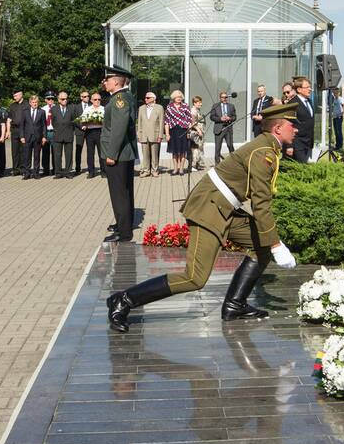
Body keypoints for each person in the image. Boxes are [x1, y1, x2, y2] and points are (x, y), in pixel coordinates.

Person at [106, 102, 300, 332]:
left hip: (225, 207)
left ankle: (234, 305)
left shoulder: (267, 148)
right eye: (292, 124)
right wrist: (277, 244)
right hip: (208, 208)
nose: (296, 129)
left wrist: (271, 243)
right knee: (194, 278)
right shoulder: (263, 152)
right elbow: (261, 204)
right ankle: (124, 300)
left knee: (261, 246)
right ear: (278, 128)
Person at [100, 66, 137, 242]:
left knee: (119, 194)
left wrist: (112, 154)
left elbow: (118, 129)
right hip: (124, 153)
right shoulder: (123, 97)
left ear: (115, 82)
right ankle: (124, 224)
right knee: (125, 192)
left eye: (107, 80)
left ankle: (124, 233)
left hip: (118, 154)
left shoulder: (119, 99)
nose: (104, 82)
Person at [50, 90, 81, 178]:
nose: (65, 100)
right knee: (57, 155)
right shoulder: (54, 109)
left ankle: (68, 172)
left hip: (68, 134)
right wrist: (58, 129)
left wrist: (82, 126)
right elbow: (53, 122)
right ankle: (58, 172)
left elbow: (75, 120)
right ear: (58, 100)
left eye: (66, 99)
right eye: (63, 99)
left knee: (69, 155)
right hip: (58, 134)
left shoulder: (71, 108)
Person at [287, 76, 315, 163]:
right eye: (307, 87)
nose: (310, 89)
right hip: (298, 143)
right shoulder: (292, 104)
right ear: (299, 89)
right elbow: (288, 125)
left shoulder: (309, 101)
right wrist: (289, 145)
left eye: (310, 87)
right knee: (301, 169)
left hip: (309, 143)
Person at [136, 91, 164, 177]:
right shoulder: (141, 108)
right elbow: (139, 122)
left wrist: (160, 135)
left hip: (155, 134)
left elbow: (161, 122)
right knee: (145, 154)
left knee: (155, 154)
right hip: (144, 135)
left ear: (153, 99)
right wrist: (139, 135)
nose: (145, 99)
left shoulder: (159, 108)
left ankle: (154, 170)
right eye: (145, 98)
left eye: (148, 98)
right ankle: (146, 170)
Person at [164, 90, 191, 175]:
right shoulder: (169, 107)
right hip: (173, 131)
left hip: (183, 130)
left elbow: (189, 120)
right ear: (174, 98)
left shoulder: (185, 106)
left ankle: (181, 169)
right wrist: (167, 134)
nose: (179, 99)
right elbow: (167, 122)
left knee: (182, 151)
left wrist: (188, 132)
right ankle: (175, 169)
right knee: (174, 151)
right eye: (177, 97)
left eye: (180, 97)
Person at [18, 94, 46, 179]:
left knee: (37, 156)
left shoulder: (42, 112)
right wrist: (22, 136)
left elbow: (44, 125)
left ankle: (36, 173)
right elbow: (22, 125)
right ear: (30, 103)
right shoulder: (25, 112)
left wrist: (44, 136)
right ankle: (27, 173)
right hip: (27, 137)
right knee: (27, 156)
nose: (35, 104)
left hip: (38, 137)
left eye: (36, 102)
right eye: (33, 102)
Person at [80, 93, 104, 178]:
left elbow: (106, 121)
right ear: (91, 100)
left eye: (99, 99)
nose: (97, 101)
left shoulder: (103, 109)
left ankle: (103, 171)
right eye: (95, 99)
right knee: (90, 153)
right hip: (90, 132)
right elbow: (82, 120)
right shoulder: (87, 109)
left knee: (102, 153)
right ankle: (91, 172)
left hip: (100, 131)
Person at [6, 90, 28, 177]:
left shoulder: (27, 105)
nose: (14, 98)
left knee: (23, 150)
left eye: (16, 96)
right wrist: (8, 131)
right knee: (14, 150)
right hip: (14, 129)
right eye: (14, 96)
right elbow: (9, 119)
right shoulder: (12, 106)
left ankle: (23, 169)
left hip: (24, 130)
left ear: (21, 95)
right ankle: (16, 169)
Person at [211, 91, 236, 163]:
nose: (224, 99)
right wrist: (220, 119)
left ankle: (234, 162)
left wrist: (230, 118)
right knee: (218, 147)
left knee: (230, 145)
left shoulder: (231, 106)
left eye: (226, 97)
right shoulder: (215, 106)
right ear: (220, 98)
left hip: (228, 128)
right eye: (223, 97)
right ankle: (217, 164)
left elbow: (235, 117)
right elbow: (212, 117)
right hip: (219, 129)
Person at [75, 90, 91, 173]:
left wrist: (89, 125)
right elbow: (75, 119)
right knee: (78, 150)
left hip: (90, 131)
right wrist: (82, 126)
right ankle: (77, 168)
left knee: (90, 150)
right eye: (85, 96)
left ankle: (90, 168)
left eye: (88, 96)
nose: (87, 98)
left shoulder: (91, 106)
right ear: (81, 98)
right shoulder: (76, 107)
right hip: (79, 131)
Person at [188, 96, 205, 172]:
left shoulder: (198, 110)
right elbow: (192, 123)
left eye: (201, 102)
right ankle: (193, 165)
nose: (200, 104)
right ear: (194, 103)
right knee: (195, 149)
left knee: (199, 149)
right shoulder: (193, 111)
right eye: (199, 102)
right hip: (195, 133)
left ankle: (197, 164)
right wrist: (199, 130)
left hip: (199, 133)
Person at [41, 93, 55, 175]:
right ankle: (46, 170)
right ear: (45, 100)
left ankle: (55, 169)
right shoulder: (43, 109)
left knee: (55, 151)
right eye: (49, 99)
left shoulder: (56, 108)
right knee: (45, 152)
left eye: (52, 99)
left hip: (54, 132)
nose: (51, 100)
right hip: (46, 132)